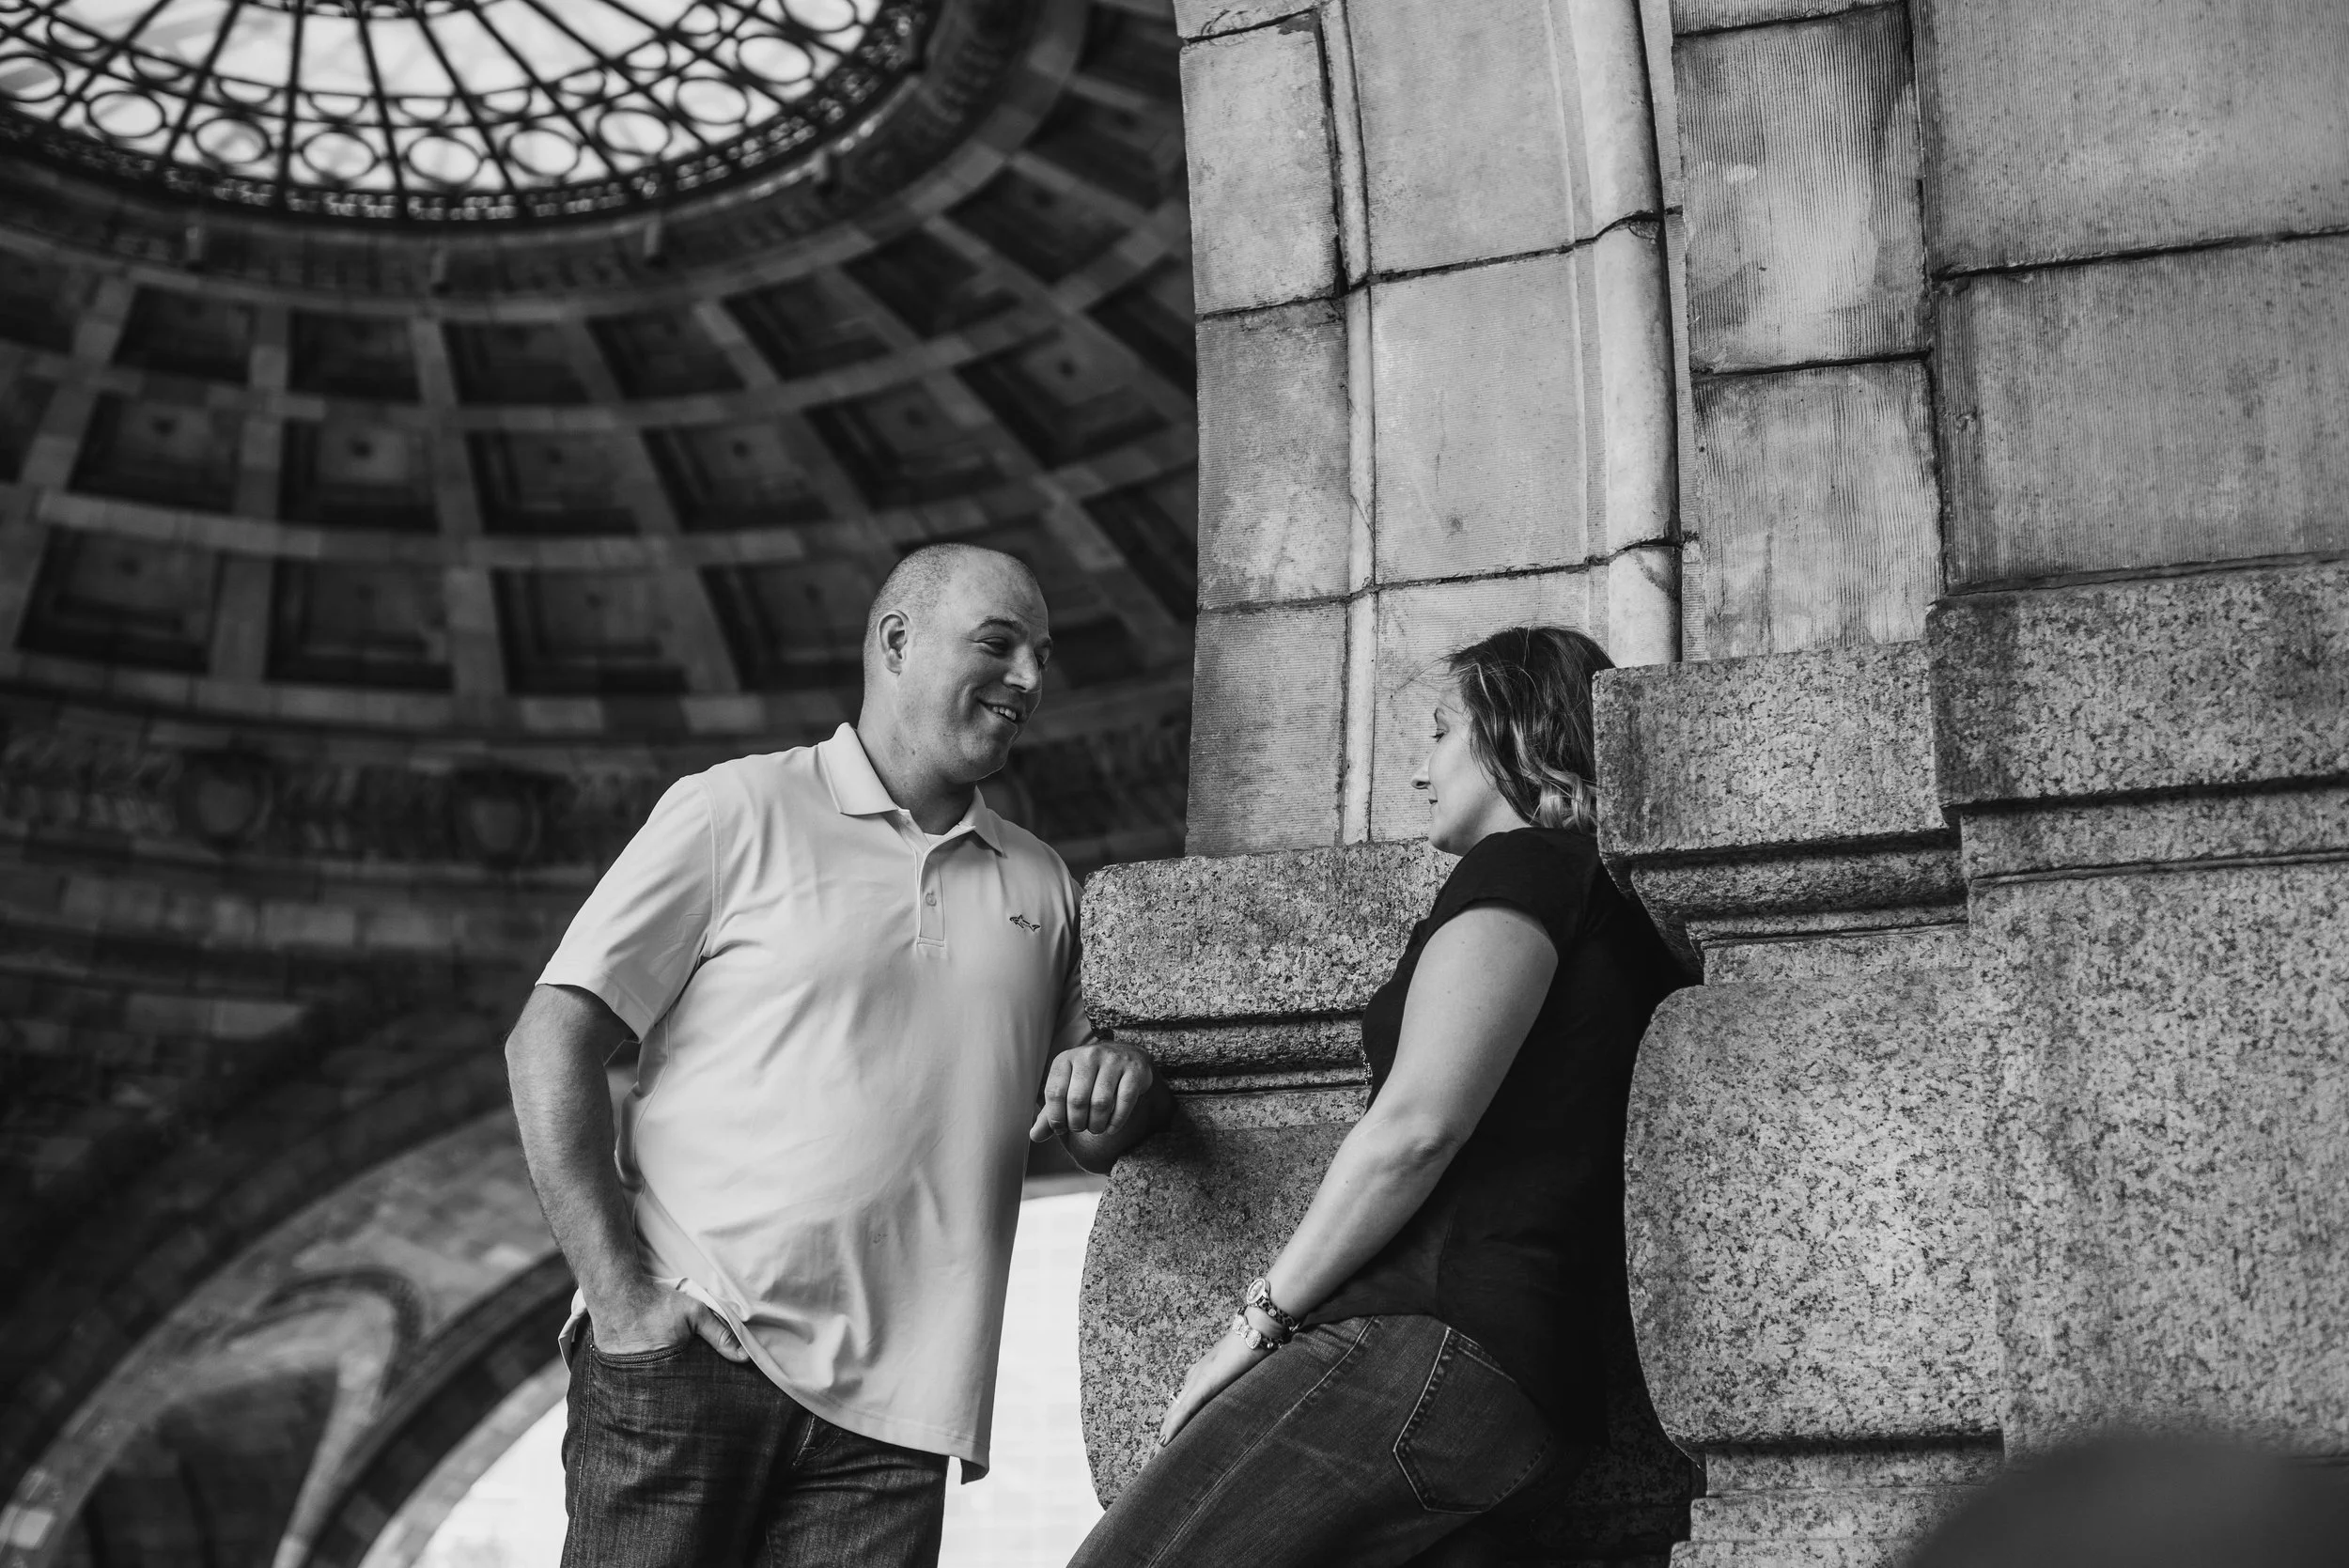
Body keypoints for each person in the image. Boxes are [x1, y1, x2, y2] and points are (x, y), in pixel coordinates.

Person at [506, 543, 1171, 1568]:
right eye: (997, 644)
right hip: (692, 1359)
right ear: (896, 640)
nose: (1030, 680)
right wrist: (626, 1303)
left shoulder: (1044, 882)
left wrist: (1115, 1088)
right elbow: (550, 1035)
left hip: (902, 1420)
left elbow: (1088, 1128)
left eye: (1042, 654)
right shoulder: (735, 808)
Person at [1069, 624, 1688, 1568]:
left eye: (1441, 731)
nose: (1417, 770)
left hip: (1428, 1348)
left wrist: (1254, 1326)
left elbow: (1413, 1128)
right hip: (1516, 1397)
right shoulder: (1607, 905)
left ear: (1514, 735)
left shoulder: (1521, 869)